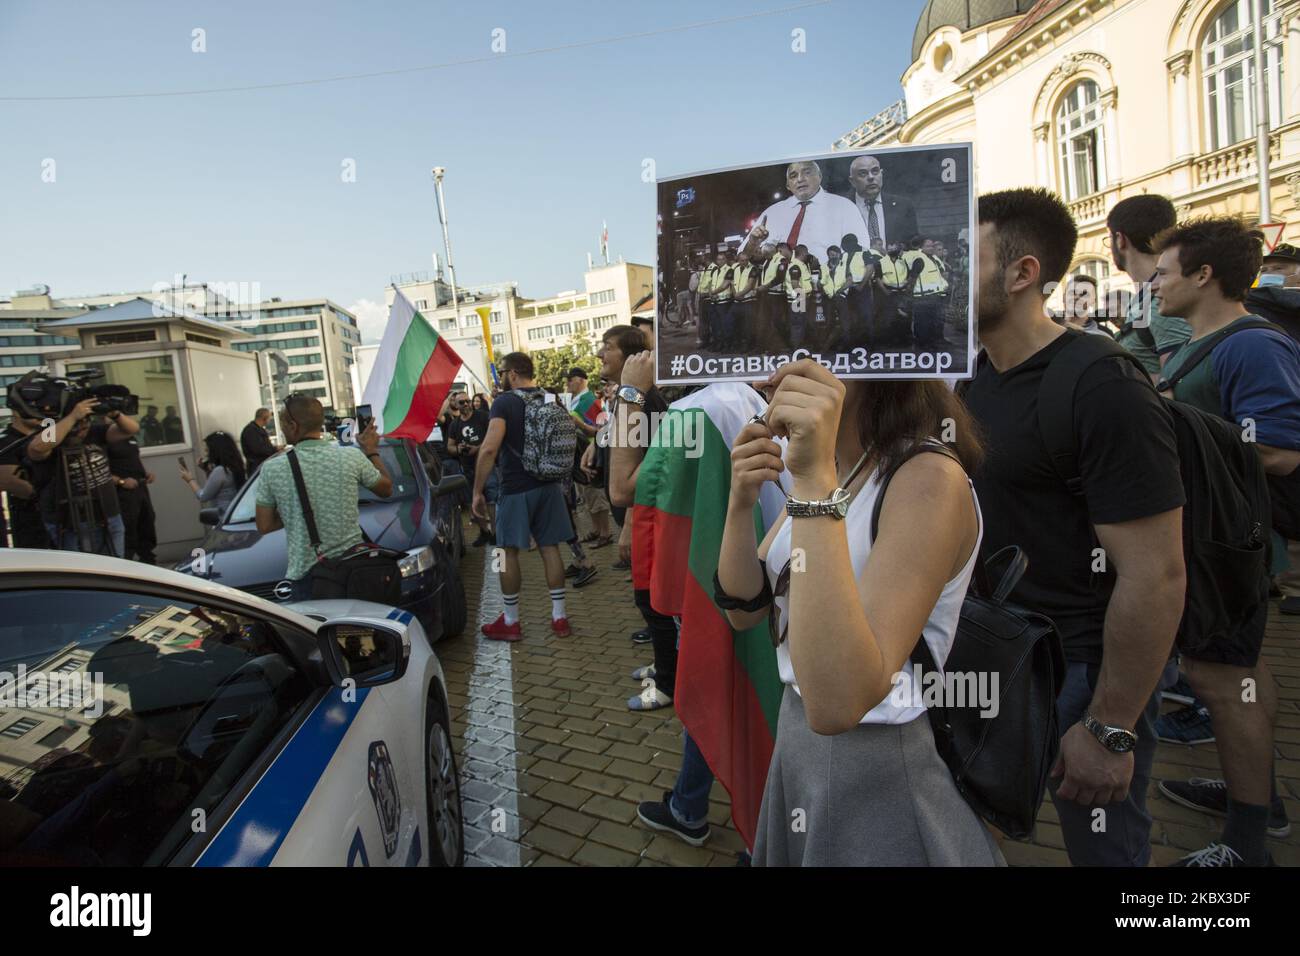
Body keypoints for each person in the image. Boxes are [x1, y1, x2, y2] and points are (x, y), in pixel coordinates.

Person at [962, 187, 1187, 867]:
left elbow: (1156, 574)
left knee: (1105, 852)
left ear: (1022, 273)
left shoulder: (1102, 384)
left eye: (958, 260)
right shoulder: (972, 380)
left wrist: (1111, 727)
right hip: (995, 654)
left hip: (1081, 675)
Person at [715, 361, 996, 865]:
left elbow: (838, 704)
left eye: (787, 351)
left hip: (874, 760)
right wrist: (740, 500)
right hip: (797, 739)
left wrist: (813, 481)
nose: (764, 376)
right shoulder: (840, 468)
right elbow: (745, 610)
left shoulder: (925, 476)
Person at [1148, 216, 1300, 865]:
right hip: (1204, 543)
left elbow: (1281, 449)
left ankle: (1247, 842)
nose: (1152, 282)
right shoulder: (1196, 342)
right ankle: (1256, 797)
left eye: (1163, 271)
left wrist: (1174, 435)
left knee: (1223, 676)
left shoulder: (1253, 344)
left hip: (1228, 548)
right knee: (1227, 675)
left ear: (1203, 275)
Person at [474, 352, 576, 640]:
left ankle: (510, 620)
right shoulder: (548, 397)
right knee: (550, 547)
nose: (500, 378)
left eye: (502, 372)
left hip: (515, 489)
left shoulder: (505, 402)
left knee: (505, 552)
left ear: (513, 373)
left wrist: (477, 491)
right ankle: (559, 617)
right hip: (548, 483)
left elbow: (490, 448)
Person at [255, 394, 393, 601]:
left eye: (282, 423)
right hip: (354, 571)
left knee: (316, 633)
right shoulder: (350, 457)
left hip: (307, 578)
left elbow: (264, 525)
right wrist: (371, 451)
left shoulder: (272, 468)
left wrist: (297, 513)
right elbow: (386, 488)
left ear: (293, 425)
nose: (282, 429)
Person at [24, 398, 140, 558]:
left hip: (108, 514)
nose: (82, 430)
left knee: (114, 570)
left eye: (86, 424)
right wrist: (72, 417)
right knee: (79, 572)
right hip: (68, 523)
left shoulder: (95, 433)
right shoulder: (53, 439)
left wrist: (115, 413)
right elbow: (38, 447)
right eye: (78, 425)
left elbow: (131, 429)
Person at [1107, 195, 1193, 381]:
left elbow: (1180, 383)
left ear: (1120, 239)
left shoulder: (1162, 300)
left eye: (1109, 239)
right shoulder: (1145, 297)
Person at [740, 161, 865, 266]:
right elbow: (743, 257)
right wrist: (752, 243)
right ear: (788, 185)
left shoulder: (844, 207)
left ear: (820, 176)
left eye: (807, 172)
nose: (800, 179)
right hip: (780, 287)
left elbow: (861, 253)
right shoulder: (771, 213)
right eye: (793, 176)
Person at [0, 380, 54, 549]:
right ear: (16, 411)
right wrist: (44, 496)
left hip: (57, 518)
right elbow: (8, 481)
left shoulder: (47, 436)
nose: (38, 411)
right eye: (31, 407)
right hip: (31, 523)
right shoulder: (7, 442)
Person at [565, 368, 612, 549]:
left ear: (582, 380)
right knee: (586, 496)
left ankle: (605, 532)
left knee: (595, 496)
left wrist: (579, 424)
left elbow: (599, 430)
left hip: (592, 455)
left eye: (571, 379)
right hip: (580, 456)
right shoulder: (576, 401)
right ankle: (596, 529)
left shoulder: (589, 401)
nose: (568, 382)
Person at [102, 416, 157, 564]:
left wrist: (146, 473)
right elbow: (100, 470)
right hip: (123, 492)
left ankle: (148, 559)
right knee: (129, 526)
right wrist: (120, 482)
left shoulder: (129, 435)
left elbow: (135, 457)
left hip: (140, 487)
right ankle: (127, 563)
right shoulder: (104, 439)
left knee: (148, 520)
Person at [447, 393, 494, 547]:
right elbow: (450, 447)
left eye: (468, 401)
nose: (466, 404)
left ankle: (496, 532)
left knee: (492, 501)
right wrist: (459, 449)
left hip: (488, 466)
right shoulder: (454, 425)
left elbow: (493, 437)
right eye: (462, 402)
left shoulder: (482, 417)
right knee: (476, 502)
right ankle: (484, 532)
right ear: (457, 405)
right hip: (468, 469)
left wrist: (478, 448)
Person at [844, 153, 919, 250]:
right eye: (863, 173)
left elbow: (913, 245)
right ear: (852, 181)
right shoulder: (842, 208)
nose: (871, 177)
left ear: (881, 174)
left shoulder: (903, 206)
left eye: (875, 171)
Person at [179, 431, 246, 516]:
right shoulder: (236, 466)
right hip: (235, 512)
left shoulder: (220, 471)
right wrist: (206, 470)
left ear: (216, 451)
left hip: (223, 515)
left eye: (207, 450)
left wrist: (190, 480)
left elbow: (203, 496)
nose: (206, 454)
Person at [903, 237, 950, 347]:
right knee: (923, 323)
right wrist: (909, 296)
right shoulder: (920, 259)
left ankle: (930, 343)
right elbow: (912, 278)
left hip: (933, 296)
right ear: (921, 247)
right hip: (922, 298)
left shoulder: (932, 258)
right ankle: (923, 345)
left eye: (932, 246)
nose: (931, 248)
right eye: (927, 246)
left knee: (932, 322)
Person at [240, 408, 276, 474]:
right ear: (264, 418)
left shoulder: (259, 429)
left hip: (261, 465)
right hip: (256, 468)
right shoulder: (251, 431)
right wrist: (275, 449)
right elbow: (258, 449)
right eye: (269, 418)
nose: (269, 421)